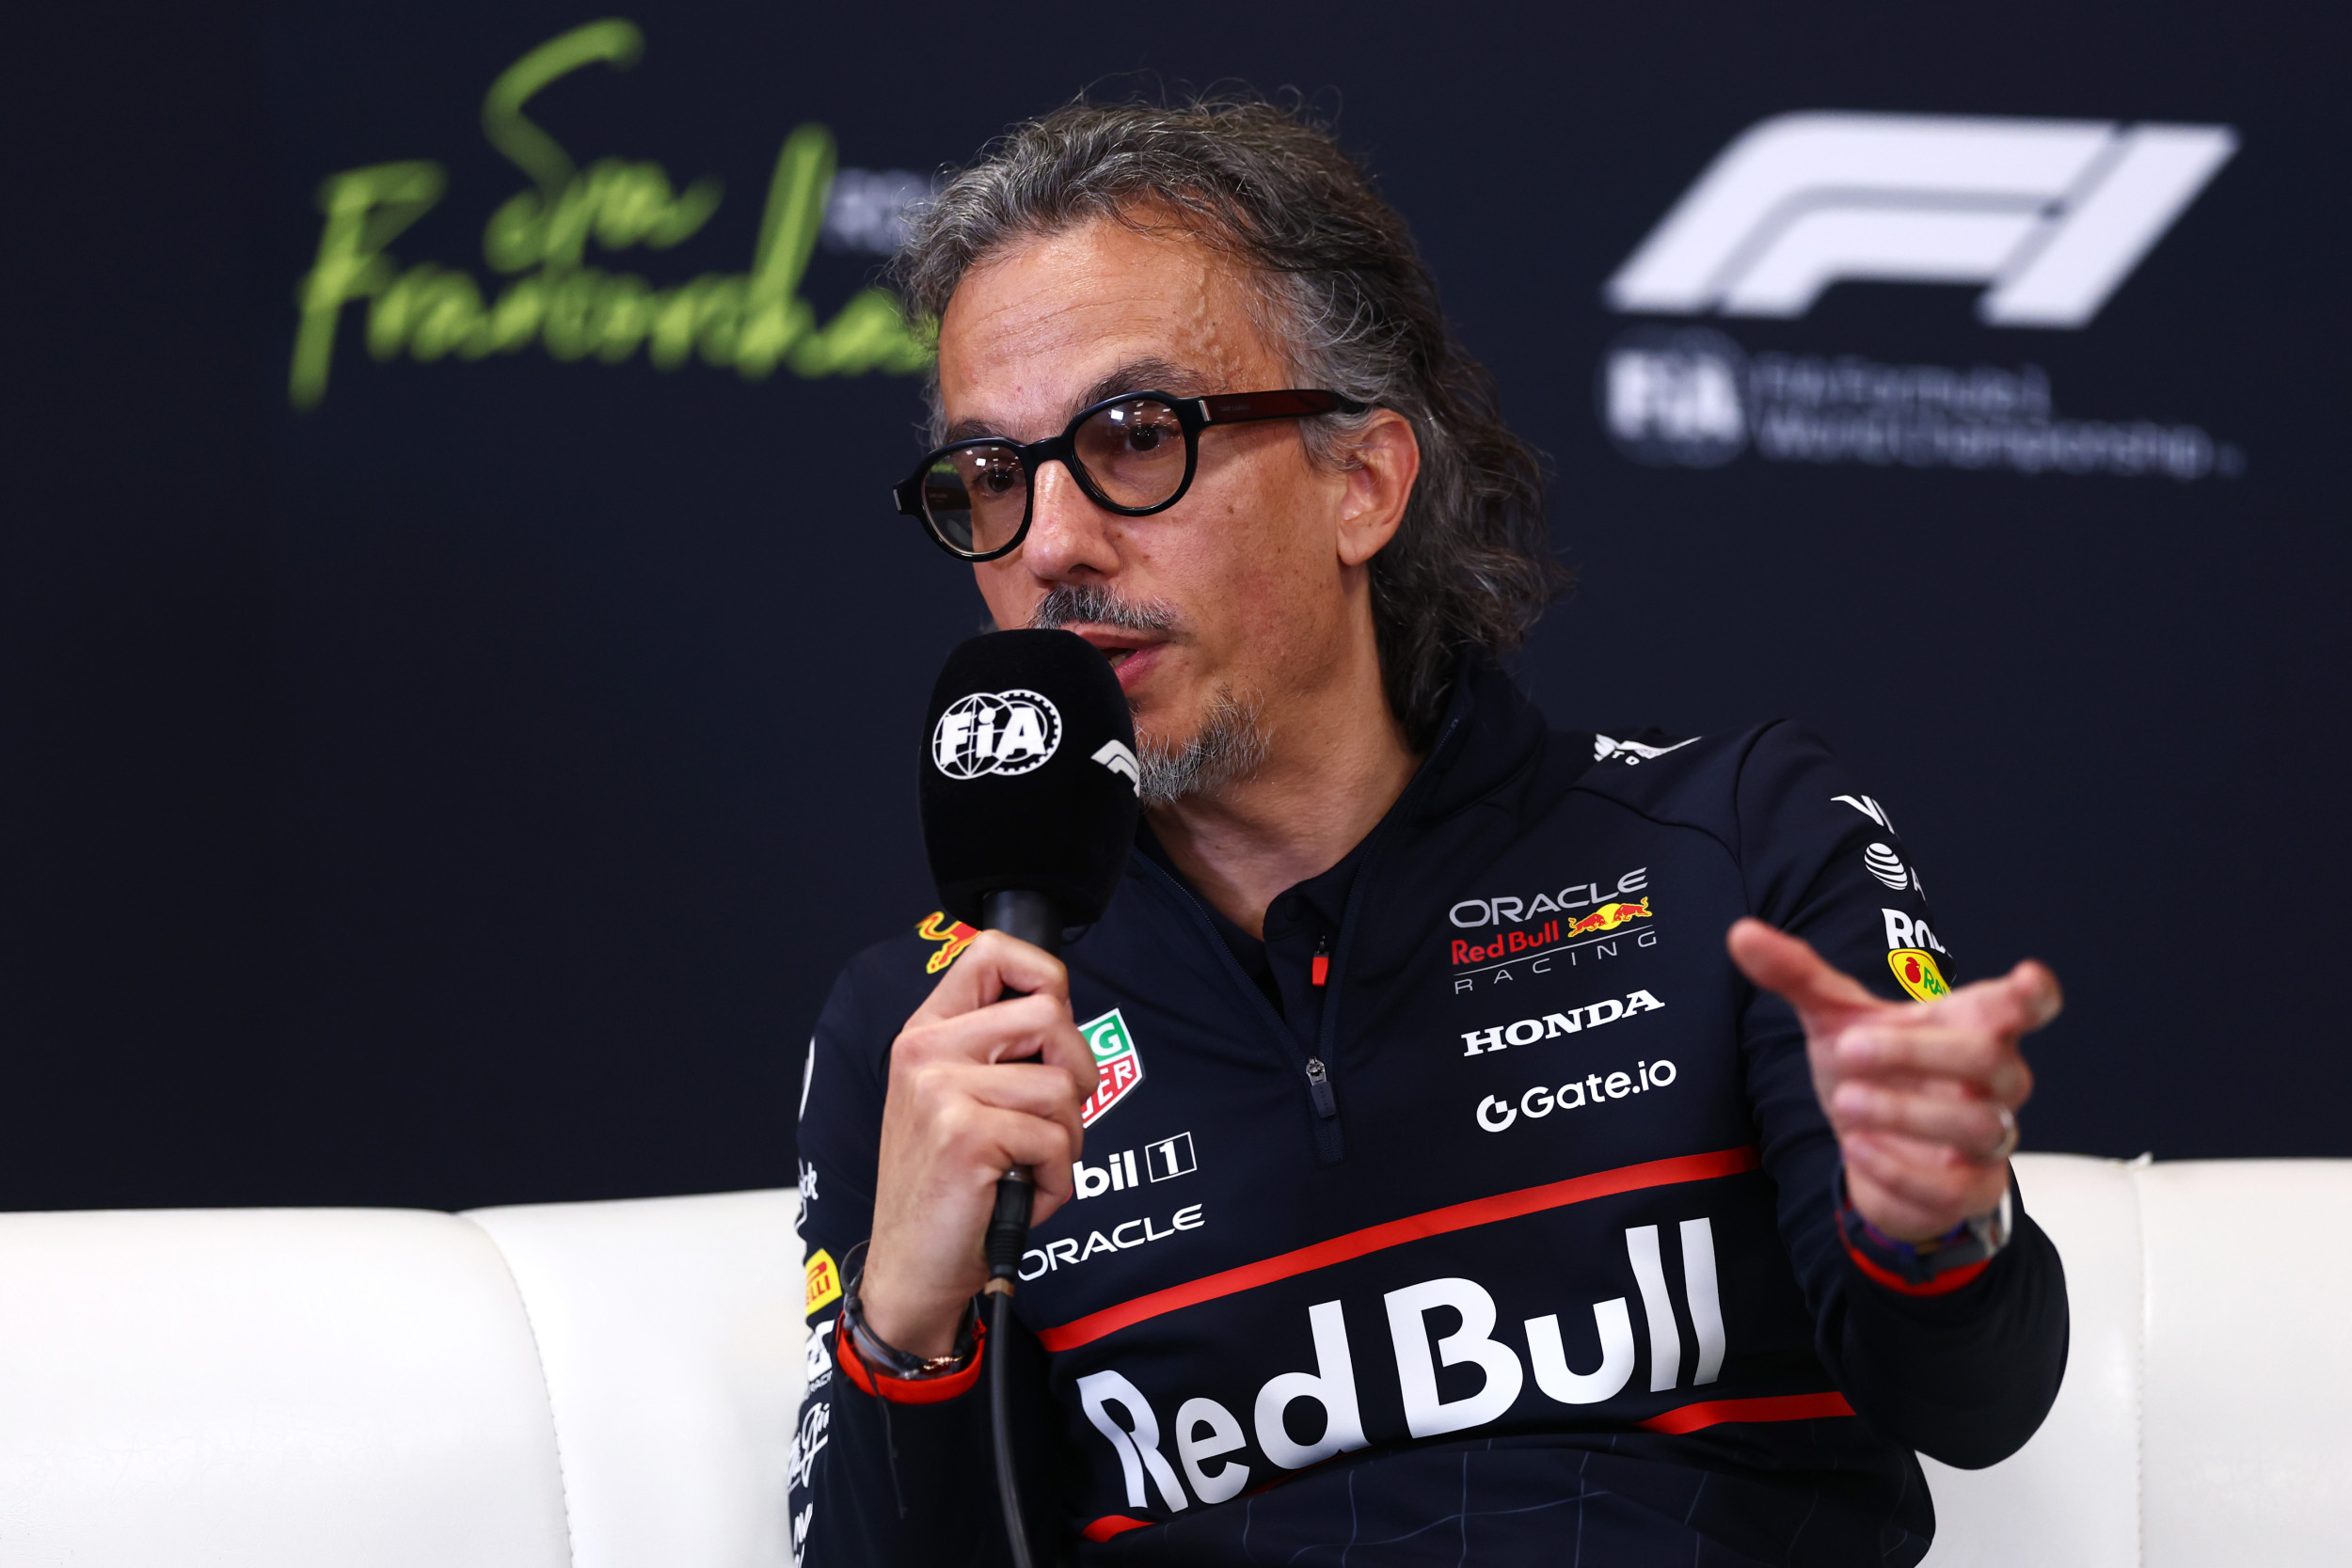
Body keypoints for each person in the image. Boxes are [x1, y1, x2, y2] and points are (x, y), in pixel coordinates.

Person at [788, 97, 2067, 1566]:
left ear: (1364, 482)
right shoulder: (936, 1030)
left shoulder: (1734, 842)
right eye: (995, 478)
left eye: (1136, 438)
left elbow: (1976, 1403)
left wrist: (1932, 1219)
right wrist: (908, 1325)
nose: (1054, 545)